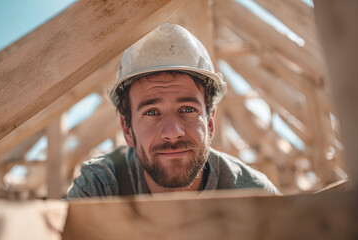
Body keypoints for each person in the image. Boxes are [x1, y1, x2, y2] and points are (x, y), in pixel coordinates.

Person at [67, 23, 279, 198]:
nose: (172, 131)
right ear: (127, 129)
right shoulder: (99, 189)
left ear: (210, 122)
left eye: (187, 109)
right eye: (151, 112)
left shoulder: (254, 195)